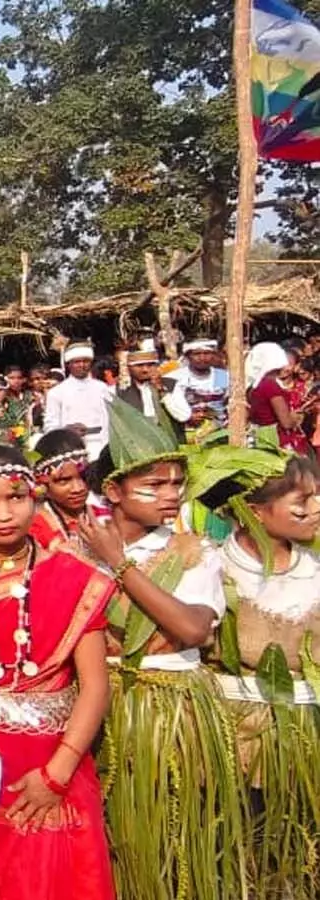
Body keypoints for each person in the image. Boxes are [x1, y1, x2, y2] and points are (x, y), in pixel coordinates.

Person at [79, 398, 243, 900]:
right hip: (101, 707)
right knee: (112, 834)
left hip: (173, 711)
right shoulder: (76, 551)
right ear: (114, 491)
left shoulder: (191, 551)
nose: (170, 496)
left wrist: (120, 565)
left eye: (176, 484)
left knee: (175, 831)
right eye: (155, 485)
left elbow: (193, 629)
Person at [0, 444, 115, 900]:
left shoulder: (76, 578)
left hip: (54, 761)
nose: (4, 514)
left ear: (34, 497)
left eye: (16, 497)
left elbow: (95, 688)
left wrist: (56, 776)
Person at [207, 451, 320, 897]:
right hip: (232, 740)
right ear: (254, 512)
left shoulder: (315, 570)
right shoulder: (212, 567)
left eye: (318, 498)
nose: (316, 510)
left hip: (304, 736)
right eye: (302, 502)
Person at [43, 340, 115, 458]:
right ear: (69, 364)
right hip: (72, 451)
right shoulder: (56, 392)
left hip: (103, 447)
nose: (82, 365)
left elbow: (112, 420)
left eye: (85, 361)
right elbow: (49, 427)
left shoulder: (103, 388)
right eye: (77, 362)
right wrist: (66, 430)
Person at [29, 429, 91, 554]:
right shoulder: (34, 528)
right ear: (43, 483)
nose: (78, 488)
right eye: (64, 481)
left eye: (83, 476)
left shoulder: (105, 516)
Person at [247, 340, 311, 454]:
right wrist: (297, 417)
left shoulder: (255, 385)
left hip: (259, 435)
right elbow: (286, 422)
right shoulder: (270, 386)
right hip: (274, 438)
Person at [163, 338, 230, 431]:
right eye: (197, 354)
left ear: (213, 355)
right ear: (188, 356)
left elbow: (229, 401)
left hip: (220, 429)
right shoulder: (174, 377)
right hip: (185, 430)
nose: (202, 358)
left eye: (206, 353)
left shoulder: (222, 376)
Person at [116, 340, 164, 421]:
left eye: (150, 365)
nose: (145, 370)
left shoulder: (169, 385)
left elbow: (183, 416)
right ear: (128, 367)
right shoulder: (118, 390)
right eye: (139, 365)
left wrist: (162, 391)